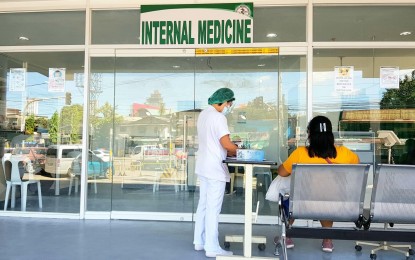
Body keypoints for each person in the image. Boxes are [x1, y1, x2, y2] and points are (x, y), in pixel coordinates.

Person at [277, 115, 359, 253]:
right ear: (330, 134)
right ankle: (327, 239)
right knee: (326, 195)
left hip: (302, 204)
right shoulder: (345, 153)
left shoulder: (300, 154)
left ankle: (288, 236)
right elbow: (356, 169)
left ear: (310, 134)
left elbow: (282, 173)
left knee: (292, 199)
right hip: (336, 204)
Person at [193, 87, 238, 258]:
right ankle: (212, 247)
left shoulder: (204, 114)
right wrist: (239, 150)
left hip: (203, 167)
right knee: (213, 209)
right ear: (223, 102)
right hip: (214, 169)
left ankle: (199, 241)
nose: (229, 107)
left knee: (203, 205)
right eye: (229, 104)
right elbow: (226, 144)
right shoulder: (218, 117)